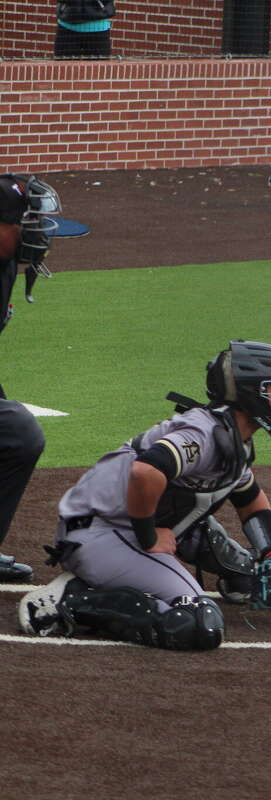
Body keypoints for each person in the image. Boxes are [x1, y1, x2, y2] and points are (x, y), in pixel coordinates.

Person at [17, 340, 271, 651]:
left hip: (114, 526)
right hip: (102, 536)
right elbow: (145, 472)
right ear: (251, 391)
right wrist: (149, 537)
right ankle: (74, 601)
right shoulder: (203, 434)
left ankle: (240, 578)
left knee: (207, 531)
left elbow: (250, 498)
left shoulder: (232, 438)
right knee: (198, 623)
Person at [0, 175, 55, 582]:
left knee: (14, 436)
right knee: (19, 431)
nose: (34, 234)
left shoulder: (5, 264)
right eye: (23, 223)